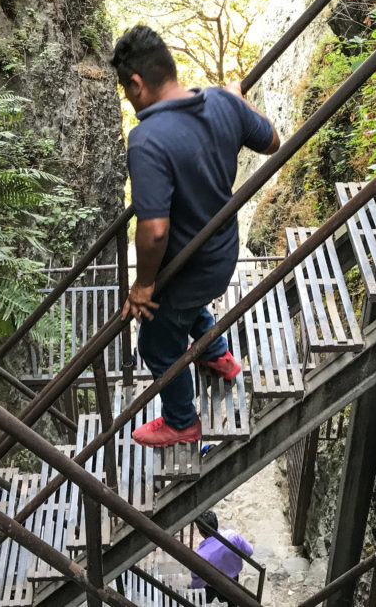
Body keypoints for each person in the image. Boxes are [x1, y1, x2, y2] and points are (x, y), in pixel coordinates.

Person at [114, 25, 280, 447]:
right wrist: (239, 101)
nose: (129, 100)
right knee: (181, 308)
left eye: (126, 90)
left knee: (156, 339)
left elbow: (154, 231)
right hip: (222, 251)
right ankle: (217, 355)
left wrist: (143, 285)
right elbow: (273, 141)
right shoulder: (223, 101)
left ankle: (182, 421)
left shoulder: (146, 140)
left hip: (189, 267)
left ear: (137, 83)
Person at [189, 509, 254, 605]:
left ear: (200, 532)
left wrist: (192, 588)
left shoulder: (201, 555)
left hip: (212, 585)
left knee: (206, 599)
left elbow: (198, 582)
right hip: (233, 579)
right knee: (232, 599)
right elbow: (249, 551)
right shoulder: (232, 536)